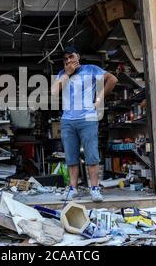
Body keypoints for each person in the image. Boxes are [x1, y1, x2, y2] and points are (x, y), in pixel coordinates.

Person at [51, 46, 118, 202]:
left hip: (87, 118)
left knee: (91, 154)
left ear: (78, 56)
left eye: (71, 57)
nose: (68, 61)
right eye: (65, 59)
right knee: (71, 156)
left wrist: (99, 99)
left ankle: (94, 189)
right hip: (68, 120)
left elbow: (112, 79)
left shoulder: (91, 69)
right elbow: (54, 92)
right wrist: (67, 74)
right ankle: (72, 189)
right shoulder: (62, 74)